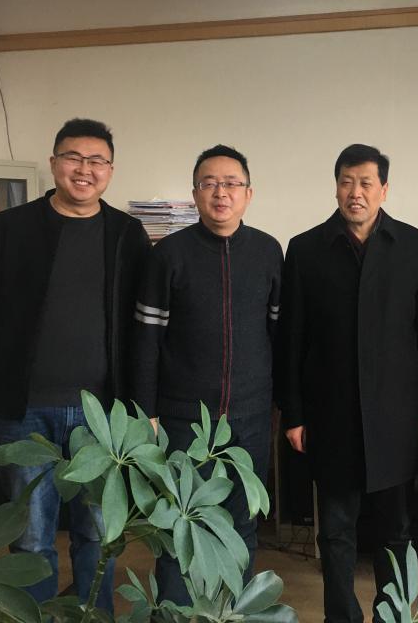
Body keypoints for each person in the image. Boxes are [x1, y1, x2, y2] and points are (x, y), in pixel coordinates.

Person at [0, 118, 149, 611]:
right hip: (25, 411)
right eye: (73, 157)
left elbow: (141, 321)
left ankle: (94, 617)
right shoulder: (12, 229)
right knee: (30, 538)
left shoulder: (127, 234)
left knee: (98, 534)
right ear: (53, 163)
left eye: (97, 160)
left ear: (110, 170)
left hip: (101, 417)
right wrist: (14, 364)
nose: (84, 169)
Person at [279, 144, 418, 623]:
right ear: (336, 187)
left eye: (366, 183)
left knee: (396, 530)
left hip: (396, 414)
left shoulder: (413, 245)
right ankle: (341, 616)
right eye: (347, 182)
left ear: (384, 189)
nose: (356, 192)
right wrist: (294, 413)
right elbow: (291, 338)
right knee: (335, 530)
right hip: (331, 414)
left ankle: (393, 615)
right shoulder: (305, 249)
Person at [132, 144, 282, 603]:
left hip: (250, 418)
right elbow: (145, 341)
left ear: (249, 193)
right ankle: (174, 613)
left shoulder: (268, 251)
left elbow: (278, 334)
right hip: (183, 419)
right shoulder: (168, 254)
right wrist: (146, 412)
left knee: (242, 524)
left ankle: (234, 611)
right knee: (179, 526)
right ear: (195, 193)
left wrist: (279, 404)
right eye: (209, 183)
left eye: (231, 183)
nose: (221, 193)